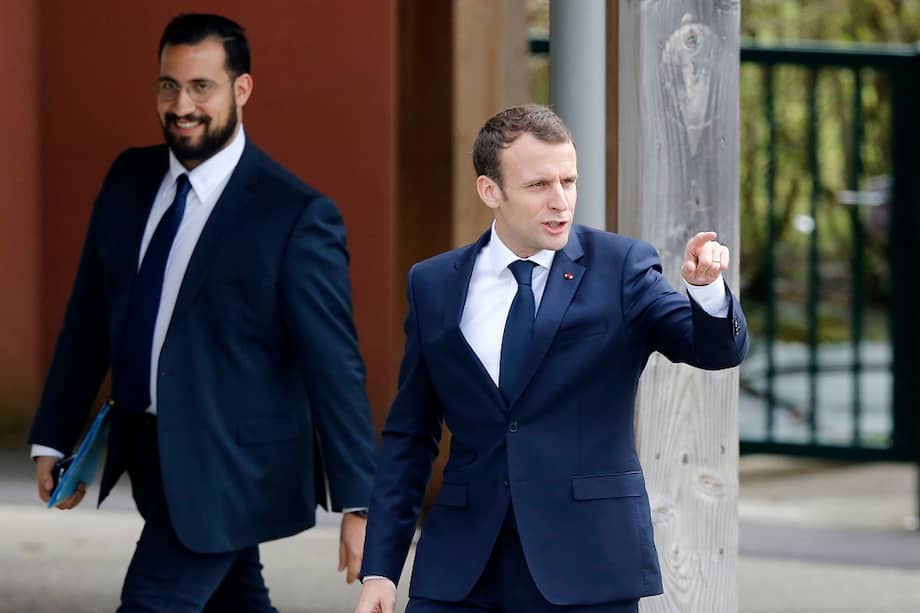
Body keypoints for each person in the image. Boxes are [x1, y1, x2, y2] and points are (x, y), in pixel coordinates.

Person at [28, 13, 376, 612]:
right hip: (151, 456)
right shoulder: (129, 179)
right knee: (238, 602)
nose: (181, 105)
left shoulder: (294, 215)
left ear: (242, 89)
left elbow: (334, 366)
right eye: (169, 85)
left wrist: (362, 503)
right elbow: (88, 321)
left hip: (230, 469)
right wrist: (54, 437)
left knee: (152, 603)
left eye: (201, 87)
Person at [355, 104, 749, 613]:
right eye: (539, 185)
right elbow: (410, 436)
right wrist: (381, 570)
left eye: (568, 180)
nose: (560, 201)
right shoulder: (433, 283)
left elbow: (715, 350)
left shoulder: (621, 267)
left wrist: (707, 291)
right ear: (490, 191)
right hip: (460, 570)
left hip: (587, 566)